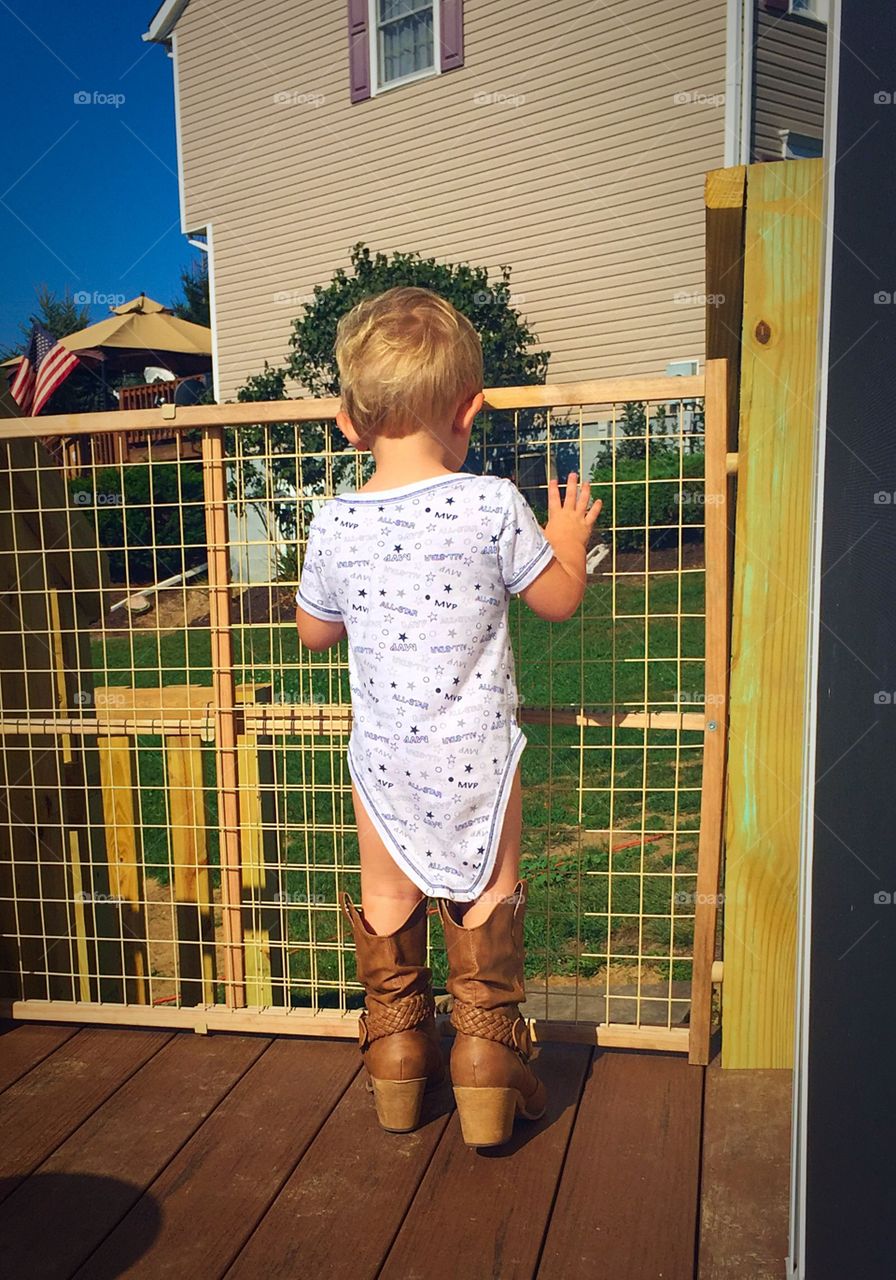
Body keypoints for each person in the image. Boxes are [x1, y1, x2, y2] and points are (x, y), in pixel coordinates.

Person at [295, 287, 601, 1147]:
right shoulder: (493, 503)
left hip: (384, 763)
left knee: (388, 900)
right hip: (479, 756)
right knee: (485, 897)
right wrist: (568, 533)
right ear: (469, 410)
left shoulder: (335, 522)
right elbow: (557, 600)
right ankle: (486, 1061)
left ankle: (397, 1061)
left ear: (350, 424)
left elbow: (314, 633)